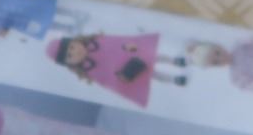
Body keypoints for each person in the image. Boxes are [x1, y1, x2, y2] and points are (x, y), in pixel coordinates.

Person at [46, 34, 186, 107]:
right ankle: (173, 79)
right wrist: (122, 77)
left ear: (75, 41)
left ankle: (173, 61)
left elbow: (115, 43)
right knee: (152, 75)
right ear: (70, 64)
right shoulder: (90, 69)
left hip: (132, 53)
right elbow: (107, 79)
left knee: (154, 57)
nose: (76, 52)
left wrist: (126, 46)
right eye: (70, 56)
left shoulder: (97, 42)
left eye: (72, 47)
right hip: (129, 68)